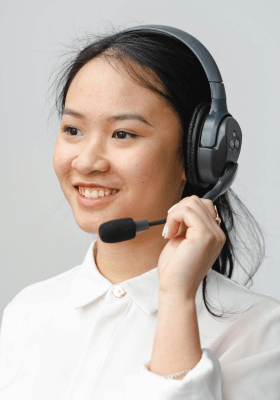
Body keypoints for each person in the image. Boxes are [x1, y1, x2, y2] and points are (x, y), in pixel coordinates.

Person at [0, 25, 280, 399]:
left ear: (199, 157)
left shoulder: (259, 331)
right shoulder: (27, 312)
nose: (86, 161)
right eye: (72, 129)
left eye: (123, 134)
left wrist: (177, 300)